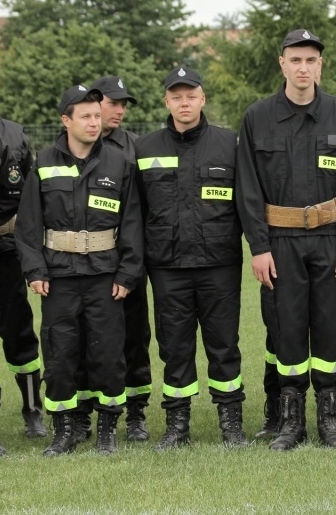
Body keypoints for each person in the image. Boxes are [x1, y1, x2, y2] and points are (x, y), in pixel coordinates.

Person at [237, 29, 336, 451]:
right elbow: (248, 190)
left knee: (330, 330)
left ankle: (330, 420)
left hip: (329, 239)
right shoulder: (257, 117)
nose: (303, 67)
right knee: (287, 330)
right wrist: (258, 247)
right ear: (282, 64)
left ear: (320, 65)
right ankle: (291, 423)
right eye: (296, 60)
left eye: (311, 60)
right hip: (280, 241)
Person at [15, 85, 143, 456]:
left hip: (105, 276)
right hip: (58, 278)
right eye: (85, 116)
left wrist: (127, 274)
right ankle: (64, 430)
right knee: (60, 355)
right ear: (65, 121)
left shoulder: (118, 163)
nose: (94, 122)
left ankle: (107, 430)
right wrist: (35, 270)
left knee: (107, 355)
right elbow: (28, 225)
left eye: (96, 115)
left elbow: (132, 222)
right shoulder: (43, 163)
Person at [135, 66, 247, 449]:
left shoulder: (229, 144)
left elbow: (245, 206)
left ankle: (231, 422)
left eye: (191, 95)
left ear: (203, 99)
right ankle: (177, 424)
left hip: (219, 264)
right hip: (167, 268)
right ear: (166, 101)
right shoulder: (145, 149)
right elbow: (137, 211)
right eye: (176, 96)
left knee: (223, 345)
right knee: (174, 347)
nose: (184, 102)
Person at [67, 75, 153, 443]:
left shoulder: (136, 147)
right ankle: (83, 414)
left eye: (123, 105)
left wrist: (131, 265)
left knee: (134, 337)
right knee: (85, 339)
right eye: (113, 103)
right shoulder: (75, 147)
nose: (118, 110)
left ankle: (135, 413)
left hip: (126, 262)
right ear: (94, 105)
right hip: (85, 268)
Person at [0, 60, 47, 452]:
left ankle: (33, 411)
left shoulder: (14, 133)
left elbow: (30, 194)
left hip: (9, 250)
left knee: (21, 335)